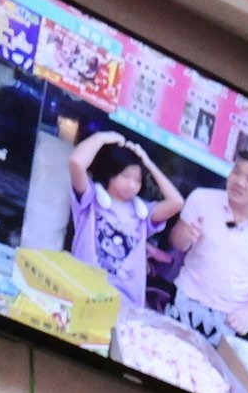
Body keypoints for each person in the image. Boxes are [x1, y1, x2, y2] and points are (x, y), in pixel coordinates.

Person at [167, 148, 248, 340]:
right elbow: (177, 242)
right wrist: (186, 234)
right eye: (236, 172)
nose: (239, 182)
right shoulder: (201, 198)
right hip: (185, 297)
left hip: (230, 318)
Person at [65, 132, 182, 310]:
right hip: (82, 293)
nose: (132, 185)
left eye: (138, 180)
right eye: (126, 177)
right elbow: (76, 162)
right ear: (111, 173)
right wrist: (103, 138)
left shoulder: (143, 214)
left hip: (124, 305)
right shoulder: (92, 199)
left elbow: (177, 202)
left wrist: (148, 164)